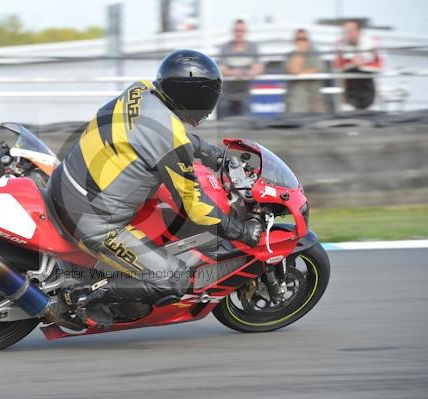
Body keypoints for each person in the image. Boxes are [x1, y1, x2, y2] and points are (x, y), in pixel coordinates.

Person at [48, 49, 262, 323]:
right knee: (175, 279)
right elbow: (197, 209)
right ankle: (82, 296)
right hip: (92, 223)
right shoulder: (171, 141)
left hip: (65, 183)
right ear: (195, 95)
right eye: (210, 96)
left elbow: (163, 136)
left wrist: (211, 152)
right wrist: (242, 231)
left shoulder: (141, 90)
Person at [217, 19, 264, 117]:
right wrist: (236, 73)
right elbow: (221, 68)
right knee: (224, 129)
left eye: (241, 31)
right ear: (233, 32)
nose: (239, 34)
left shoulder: (253, 47)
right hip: (225, 97)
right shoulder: (224, 47)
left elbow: (258, 68)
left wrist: (242, 73)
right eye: (236, 31)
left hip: (244, 96)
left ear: (246, 32)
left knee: (244, 129)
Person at [334, 20, 383, 110]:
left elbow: (379, 66)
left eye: (351, 31)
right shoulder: (341, 44)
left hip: (368, 91)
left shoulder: (370, 43)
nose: (349, 34)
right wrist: (353, 62)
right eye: (346, 31)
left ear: (359, 31)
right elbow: (337, 65)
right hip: (350, 93)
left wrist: (362, 62)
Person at [285, 29, 326, 113]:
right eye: (298, 39)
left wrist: (299, 73)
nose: (301, 42)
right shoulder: (290, 55)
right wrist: (300, 52)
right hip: (297, 101)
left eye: (304, 39)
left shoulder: (315, 53)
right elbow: (293, 70)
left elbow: (316, 69)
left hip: (315, 99)